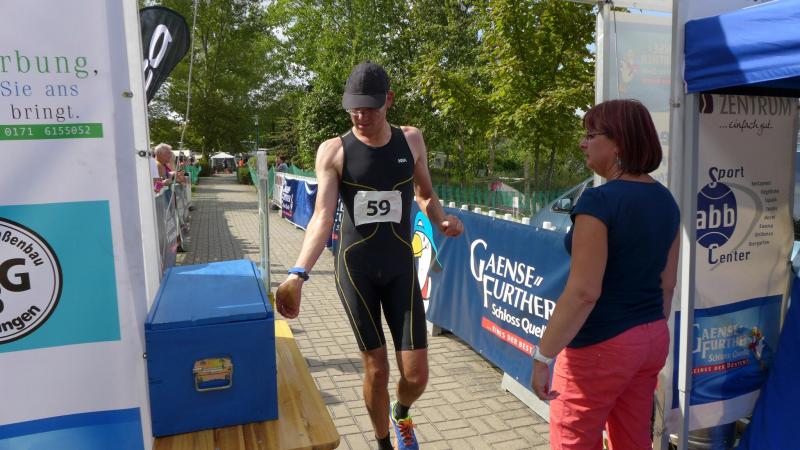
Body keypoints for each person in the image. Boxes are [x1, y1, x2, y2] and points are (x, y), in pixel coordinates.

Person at [275, 62, 464, 450]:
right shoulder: (334, 150)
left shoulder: (411, 140)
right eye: (354, 109)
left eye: (369, 109)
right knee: (377, 369)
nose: (361, 117)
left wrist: (441, 220)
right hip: (355, 269)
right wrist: (297, 274)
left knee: (417, 376)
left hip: (400, 267)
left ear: (388, 101)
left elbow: (425, 194)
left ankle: (400, 412)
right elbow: (322, 217)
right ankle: (382, 443)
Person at [531, 99, 680, 450]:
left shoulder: (599, 201)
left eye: (590, 135)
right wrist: (642, 333)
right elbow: (667, 284)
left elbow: (583, 292)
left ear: (618, 144)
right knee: (633, 438)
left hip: (601, 345)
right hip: (651, 338)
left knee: (573, 439)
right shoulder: (666, 200)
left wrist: (542, 356)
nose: (582, 143)